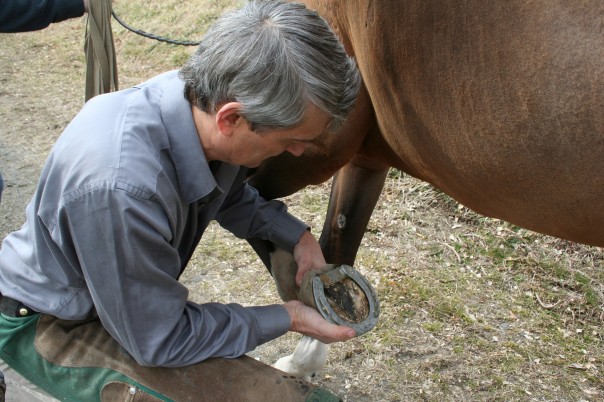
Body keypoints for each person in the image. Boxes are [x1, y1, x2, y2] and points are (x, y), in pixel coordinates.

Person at [0, 1, 361, 400]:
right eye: (290, 141)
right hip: (52, 323)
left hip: (122, 310)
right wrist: (289, 318)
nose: (296, 153)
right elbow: (161, 340)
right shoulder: (122, 189)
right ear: (231, 119)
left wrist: (297, 238)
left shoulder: (195, 99)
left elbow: (228, 193)